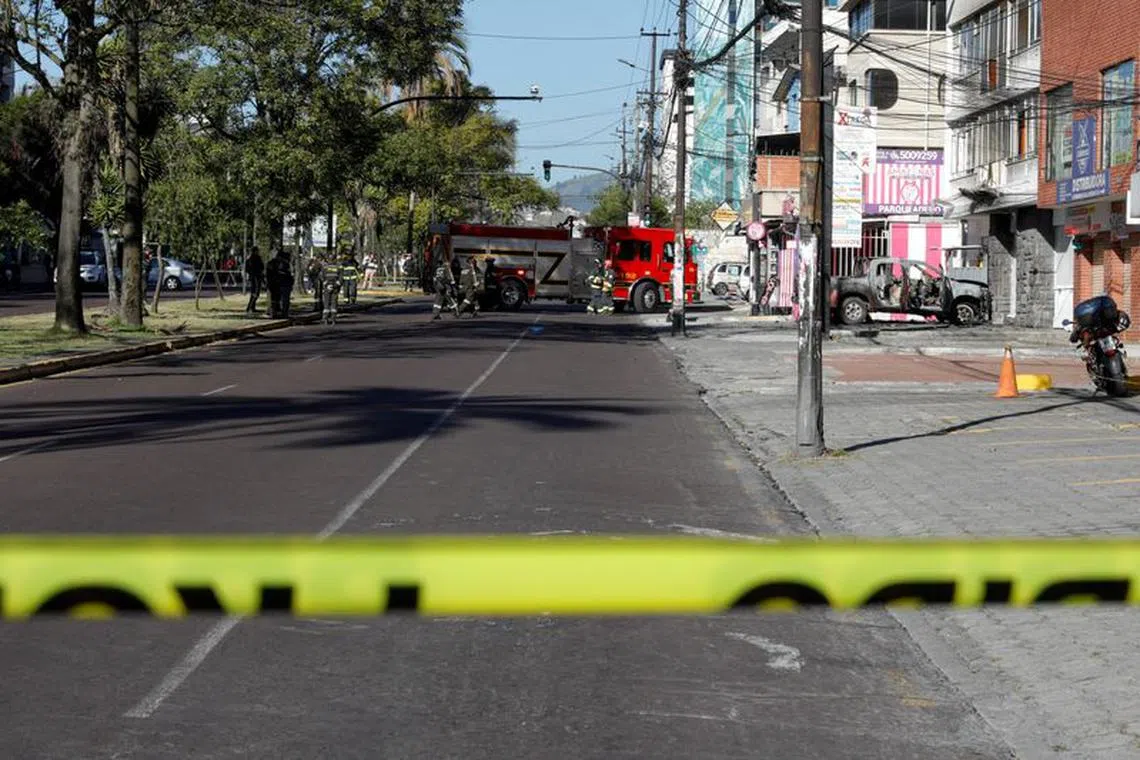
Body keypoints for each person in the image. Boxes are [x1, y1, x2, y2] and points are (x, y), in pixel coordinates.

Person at [265, 246, 293, 318]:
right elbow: (288, 273)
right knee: (284, 299)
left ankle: (273, 312)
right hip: (282, 283)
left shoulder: (270, 263)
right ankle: (283, 313)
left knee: (274, 299)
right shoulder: (284, 264)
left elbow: (268, 274)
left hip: (274, 283)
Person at [319, 253, 343, 325]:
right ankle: (333, 319)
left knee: (326, 303)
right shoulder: (338, 267)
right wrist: (336, 285)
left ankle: (325, 318)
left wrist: (326, 284)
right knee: (334, 303)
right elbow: (341, 278)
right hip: (335, 287)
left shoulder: (325, 267)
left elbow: (321, 276)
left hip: (327, 287)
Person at [244, 247, 264, 314]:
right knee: (255, 293)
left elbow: (247, 269)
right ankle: (250, 307)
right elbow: (261, 266)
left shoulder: (249, 258)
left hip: (253, 277)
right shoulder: (255, 258)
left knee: (254, 293)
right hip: (256, 277)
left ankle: (252, 307)